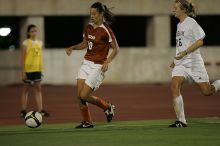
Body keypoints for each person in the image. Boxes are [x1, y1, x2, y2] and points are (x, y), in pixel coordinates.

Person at [66, 2, 119, 128]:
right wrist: (73, 47)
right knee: (79, 96)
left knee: (84, 95)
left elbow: (116, 49)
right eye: (90, 13)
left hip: (98, 66)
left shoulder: (106, 30)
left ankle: (107, 106)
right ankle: (87, 122)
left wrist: (107, 62)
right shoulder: (88, 27)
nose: (91, 16)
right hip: (86, 63)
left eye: (94, 13)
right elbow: (85, 43)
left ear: (101, 14)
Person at [169, 0, 220, 127]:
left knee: (207, 91)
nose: (173, 9)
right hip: (181, 62)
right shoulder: (179, 25)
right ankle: (181, 121)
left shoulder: (191, 23)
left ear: (183, 10)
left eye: (176, 8)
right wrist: (175, 60)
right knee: (174, 85)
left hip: (194, 62)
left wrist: (185, 52)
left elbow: (200, 41)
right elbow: (181, 45)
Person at [20, 24, 49, 118]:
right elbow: (23, 58)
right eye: (32, 31)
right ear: (28, 32)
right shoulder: (26, 43)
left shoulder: (40, 43)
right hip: (28, 70)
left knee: (38, 89)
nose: (34, 33)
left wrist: (41, 69)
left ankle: (41, 110)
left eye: (35, 31)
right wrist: (23, 71)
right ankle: (23, 110)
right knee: (26, 90)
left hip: (37, 69)